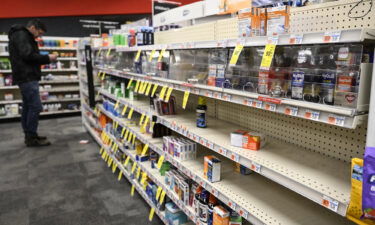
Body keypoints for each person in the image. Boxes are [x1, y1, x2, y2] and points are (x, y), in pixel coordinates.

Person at [8, 19, 58, 147]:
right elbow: (28, 55)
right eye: (39, 33)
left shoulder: (22, 35)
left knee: (28, 106)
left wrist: (42, 56)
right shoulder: (22, 35)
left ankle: (30, 135)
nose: (39, 36)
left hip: (26, 76)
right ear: (32, 27)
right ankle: (31, 137)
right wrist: (48, 58)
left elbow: (28, 54)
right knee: (35, 107)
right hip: (27, 76)